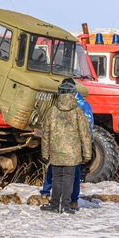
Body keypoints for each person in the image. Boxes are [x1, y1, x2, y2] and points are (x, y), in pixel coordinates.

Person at [40, 79, 93, 211]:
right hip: (72, 152)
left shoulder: (52, 111)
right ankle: (66, 206)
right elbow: (85, 134)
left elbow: (45, 133)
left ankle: (53, 205)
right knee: (69, 179)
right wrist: (87, 153)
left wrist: (45, 152)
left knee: (56, 178)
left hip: (56, 151)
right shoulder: (77, 112)